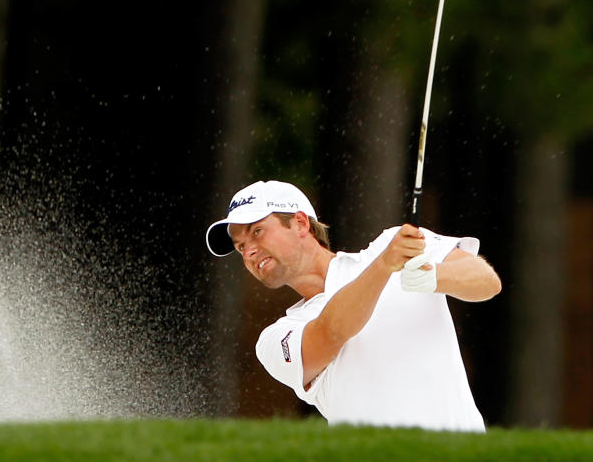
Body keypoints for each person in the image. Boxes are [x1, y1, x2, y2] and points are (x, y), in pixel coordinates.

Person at [205, 180, 501, 432]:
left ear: (300, 223)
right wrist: (384, 266)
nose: (249, 251)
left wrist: (433, 276)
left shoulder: (389, 244)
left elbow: (487, 281)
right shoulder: (275, 339)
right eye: (240, 246)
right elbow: (332, 331)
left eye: (256, 231)